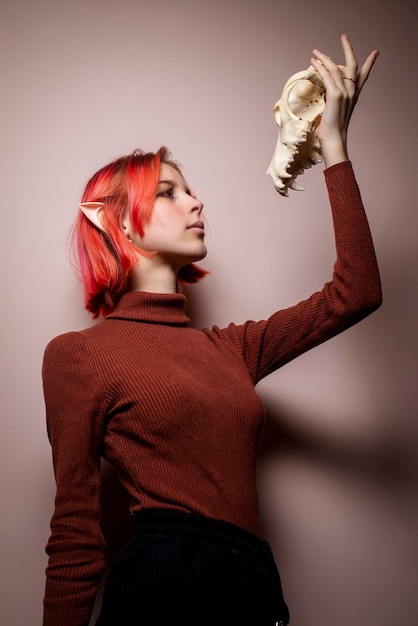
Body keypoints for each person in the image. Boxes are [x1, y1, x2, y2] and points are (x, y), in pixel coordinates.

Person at [42, 34, 382, 626]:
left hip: (250, 583)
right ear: (114, 220)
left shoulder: (229, 349)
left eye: (191, 189)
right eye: (169, 193)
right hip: (164, 585)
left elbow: (357, 293)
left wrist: (334, 146)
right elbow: (75, 530)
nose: (197, 203)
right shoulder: (80, 357)